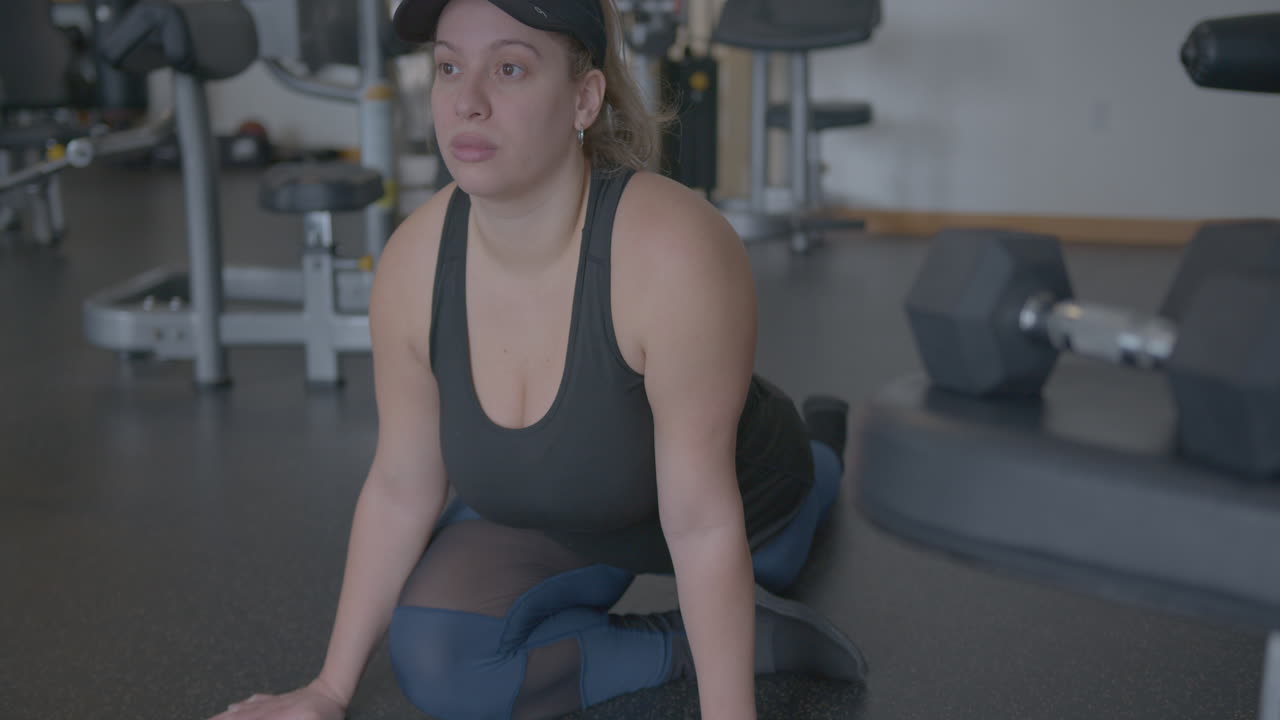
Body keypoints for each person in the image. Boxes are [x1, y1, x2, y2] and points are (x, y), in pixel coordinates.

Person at [212, 0, 867, 718]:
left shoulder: (675, 252)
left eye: (510, 68)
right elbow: (402, 485)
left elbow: (705, 525)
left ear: (583, 99)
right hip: (561, 509)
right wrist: (327, 690)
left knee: (789, 541)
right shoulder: (412, 263)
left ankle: (823, 445)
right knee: (440, 657)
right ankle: (729, 644)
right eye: (449, 67)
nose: (467, 101)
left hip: (738, 504)